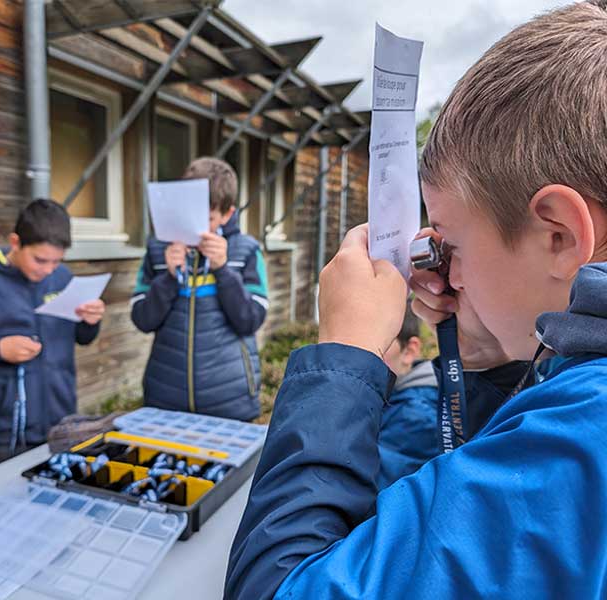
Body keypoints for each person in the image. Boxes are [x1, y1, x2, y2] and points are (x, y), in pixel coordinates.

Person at [225, 2, 607, 598]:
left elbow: (279, 588)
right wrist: (480, 354)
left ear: (558, 234)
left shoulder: (583, 437)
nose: (445, 269)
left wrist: (346, 353)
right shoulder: (579, 389)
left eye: (451, 243)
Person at [131, 157, 268, 420]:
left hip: (230, 400)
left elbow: (250, 320)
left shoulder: (247, 250)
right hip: (165, 397)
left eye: (207, 219)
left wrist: (223, 270)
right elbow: (142, 320)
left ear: (227, 214)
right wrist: (169, 277)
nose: (196, 227)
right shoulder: (158, 249)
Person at [0, 199, 105, 464]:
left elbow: (83, 338)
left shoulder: (63, 278)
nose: (47, 270)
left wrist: (91, 321)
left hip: (60, 416)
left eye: (56, 262)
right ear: (15, 242)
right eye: (40, 260)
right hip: (6, 426)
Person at [376, 303, 438, 489]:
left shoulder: (417, 416)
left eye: (377, 345)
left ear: (409, 351)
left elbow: (357, 489)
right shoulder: (389, 397)